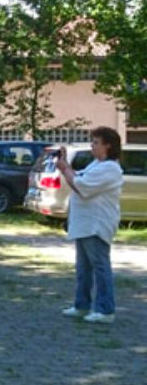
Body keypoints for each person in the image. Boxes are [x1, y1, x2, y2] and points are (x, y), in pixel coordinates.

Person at [59, 127, 123, 324]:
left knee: (100, 266)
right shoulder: (96, 164)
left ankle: (105, 309)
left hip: (97, 224)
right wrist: (67, 168)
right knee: (83, 267)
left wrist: (64, 169)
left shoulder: (110, 168)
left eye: (96, 142)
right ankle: (82, 304)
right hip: (85, 224)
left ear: (108, 145)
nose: (92, 146)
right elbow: (79, 179)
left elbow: (82, 186)